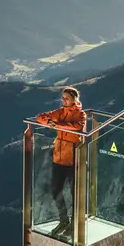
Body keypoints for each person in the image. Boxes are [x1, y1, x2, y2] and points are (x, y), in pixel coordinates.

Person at [35, 87, 86, 237]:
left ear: (74, 100)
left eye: (66, 98)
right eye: (62, 98)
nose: (63, 101)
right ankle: (64, 220)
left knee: (74, 192)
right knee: (55, 190)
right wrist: (49, 121)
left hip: (73, 159)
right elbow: (40, 116)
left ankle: (74, 222)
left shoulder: (80, 114)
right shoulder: (60, 112)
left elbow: (76, 128)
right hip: (59, 158)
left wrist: (56, 125)